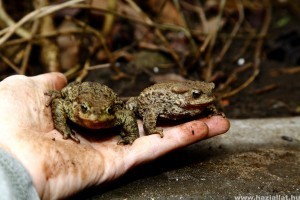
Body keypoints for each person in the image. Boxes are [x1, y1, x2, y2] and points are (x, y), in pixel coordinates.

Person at [0, 73, 230, 199]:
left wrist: (130, 136)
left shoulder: (117, 113)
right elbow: (59, 102)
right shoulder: (71, 107)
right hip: (83, 95)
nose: (97, 118)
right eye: (87, 112)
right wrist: (63, 128)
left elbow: (126, 117)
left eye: (108, 113)